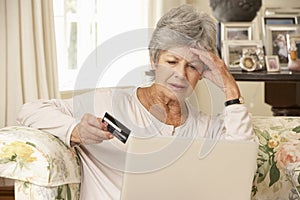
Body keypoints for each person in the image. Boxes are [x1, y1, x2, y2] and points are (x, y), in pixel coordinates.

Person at [17, 4, 254, 200]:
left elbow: (242, 164)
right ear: (153, 60)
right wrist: (75, 131)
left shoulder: (206, 127)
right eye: (171, 62)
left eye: (192, 66)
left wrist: (230, 89)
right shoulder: (109, 103)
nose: (180, 74)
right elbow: (31, 110)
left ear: (203, 72)